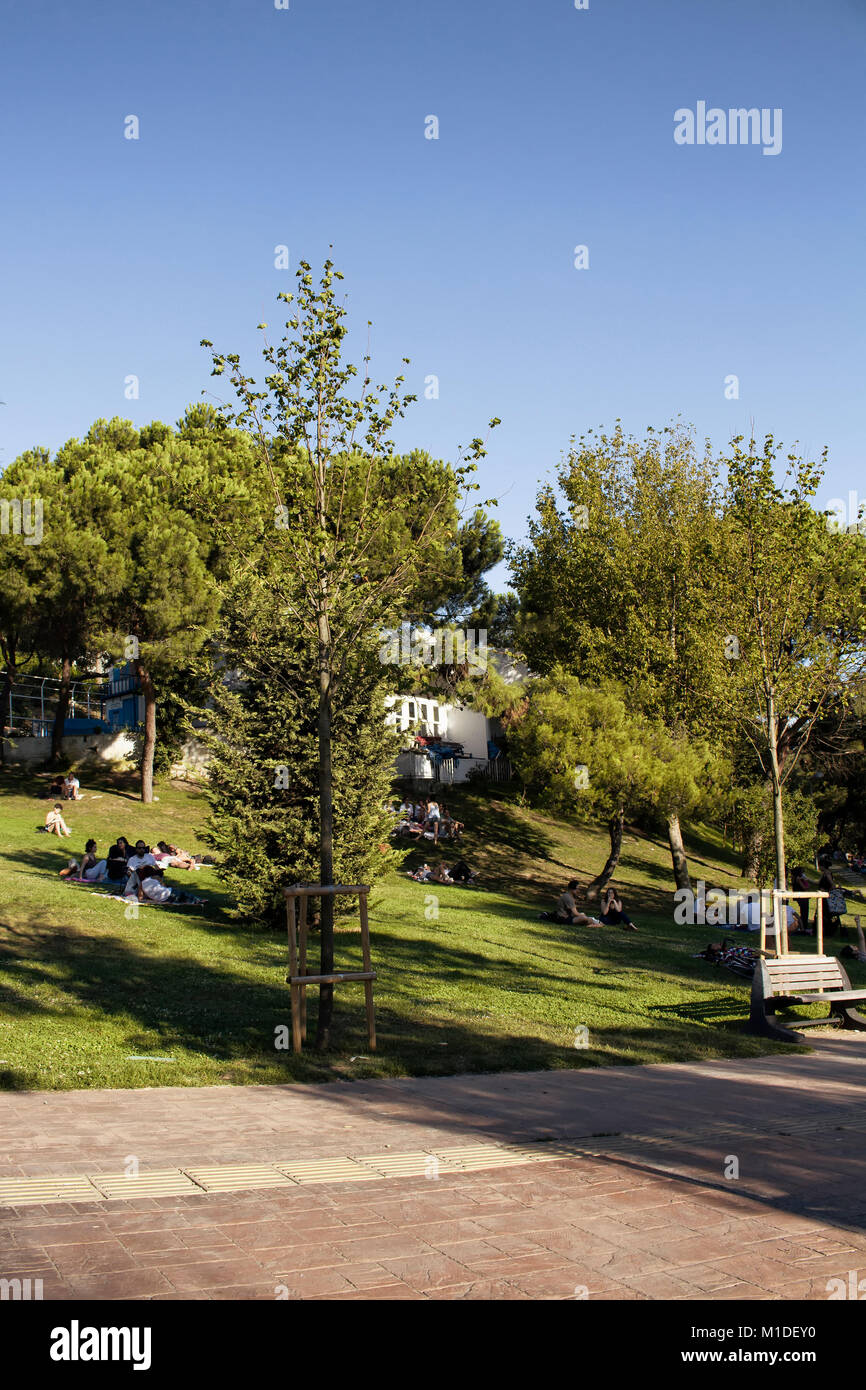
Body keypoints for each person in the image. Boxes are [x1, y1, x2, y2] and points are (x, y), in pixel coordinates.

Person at [790, 867, 813, 933]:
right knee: (804, 912)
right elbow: (805, 887)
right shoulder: (798, 879)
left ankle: (803, 926)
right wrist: (805, 881)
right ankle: (803, 926)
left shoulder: (794, 878)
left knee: (803, 911)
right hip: (802, 897)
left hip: (799, 897)